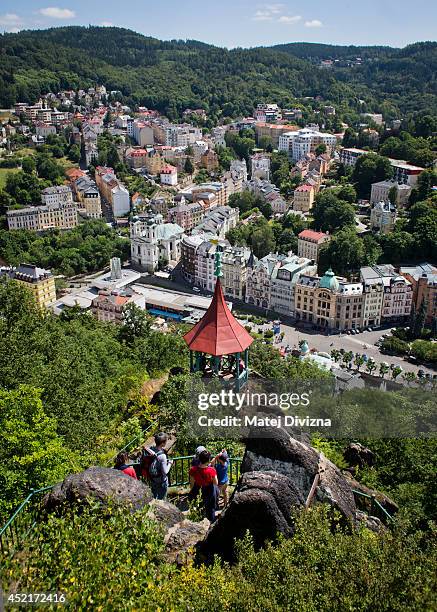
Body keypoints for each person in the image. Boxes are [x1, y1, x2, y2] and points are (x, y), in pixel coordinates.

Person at [189, 450, 218, 522]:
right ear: (208, 459)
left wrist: (193, 491)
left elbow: (192, 483)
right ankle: (211, 523)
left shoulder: (193, 469)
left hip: (198, 489)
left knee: (199, 507)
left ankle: (199, 522)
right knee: (210, 508)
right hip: (209, 490)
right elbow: (216, 483)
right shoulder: (211, 470)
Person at [148, 432, 173, 500]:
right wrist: (170, 463)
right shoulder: (162, 456)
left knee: (154, 497)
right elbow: (165, 471)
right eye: (165, 442)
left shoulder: (151, 449)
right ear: (162, 443)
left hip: (153, 479)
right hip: (162, 481)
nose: (166, 443)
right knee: (162, 500)